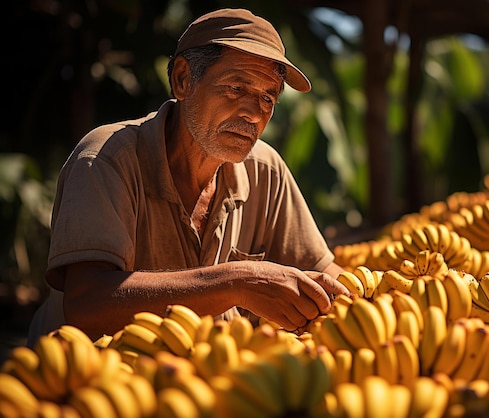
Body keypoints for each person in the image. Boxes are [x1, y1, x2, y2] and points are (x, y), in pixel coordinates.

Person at [28, 8, 350, 344]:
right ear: (183, 80)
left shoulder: (265, 170)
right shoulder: (106, 159)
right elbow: (86, 304)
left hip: (195, 379)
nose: (254, 114)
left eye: (268, 98)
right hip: (86, 379)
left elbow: (323, 272)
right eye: (236, 88)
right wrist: (236, 283)